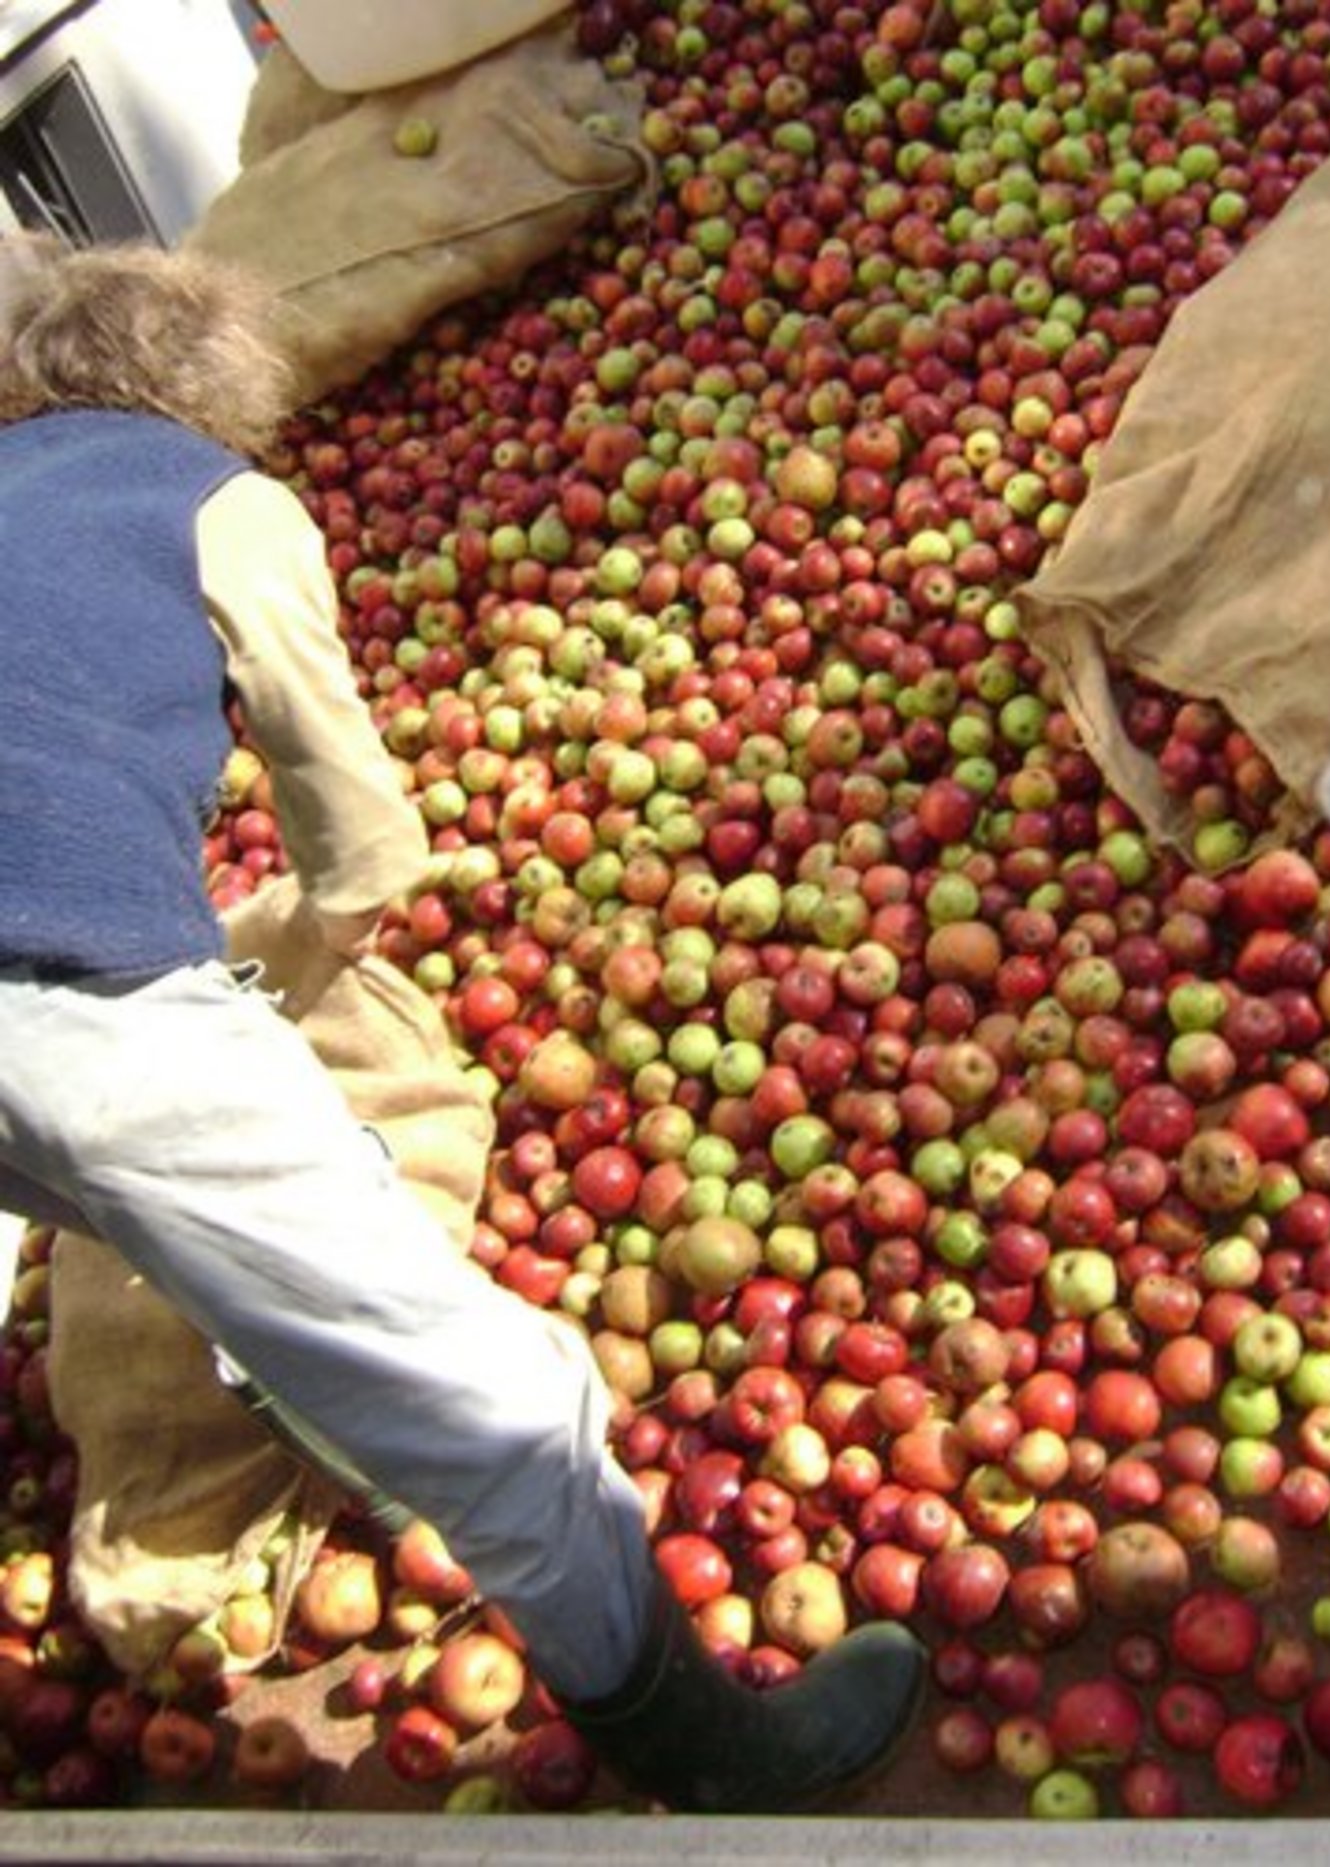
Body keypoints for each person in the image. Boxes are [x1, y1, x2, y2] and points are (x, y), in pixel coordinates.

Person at [0, 236, 926, 1812]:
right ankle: (723, 1762)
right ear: (212, 397)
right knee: (511, 1416)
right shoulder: (213, 501)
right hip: (81, 1003)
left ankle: (314, 1386)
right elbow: (364, 846)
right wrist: (283, 952)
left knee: (185, 1237)